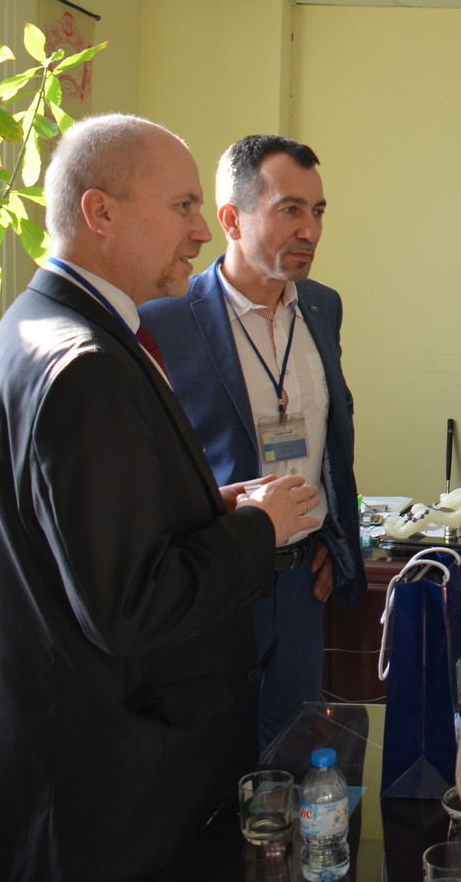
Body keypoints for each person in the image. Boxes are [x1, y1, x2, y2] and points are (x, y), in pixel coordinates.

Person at [0, 114, 321, 879]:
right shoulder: (83, 365)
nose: (201, 230)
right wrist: (257, 527)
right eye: (183, 205)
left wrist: (212, 505)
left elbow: (87, 531)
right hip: (103, 785)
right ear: (100, 212)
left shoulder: (35, 327)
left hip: (79, 765)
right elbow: (130, 604)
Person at [141, 134, 365, 750]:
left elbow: (331, 437)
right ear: (231, 220)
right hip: (216, 584)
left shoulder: (321, 307)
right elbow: (154, 469)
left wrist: (331, 537)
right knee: (214, 761)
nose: (310, 231)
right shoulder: (163, 317)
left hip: (301, 586)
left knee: (294, 755)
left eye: (317, 211)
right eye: (290, 209)